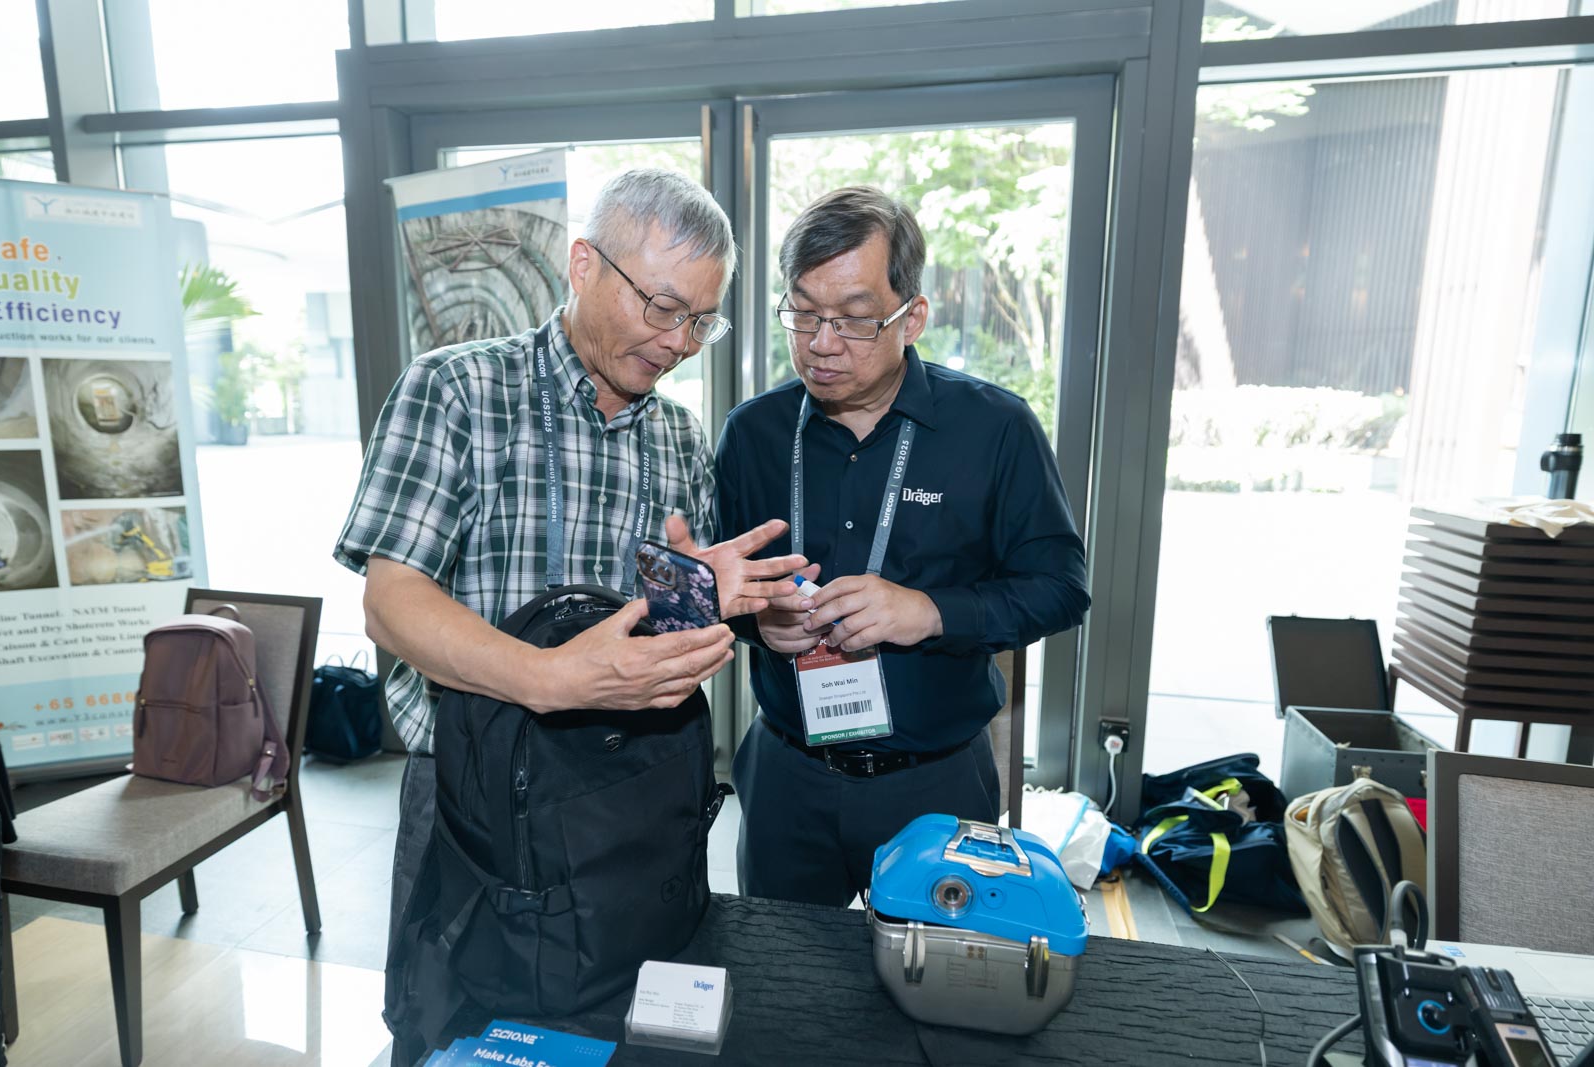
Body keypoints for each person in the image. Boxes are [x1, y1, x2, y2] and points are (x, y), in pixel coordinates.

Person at [333, 169, 803, 989]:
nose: (677, 343)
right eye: (661, 307)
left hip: (630, 787)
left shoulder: (679, 438)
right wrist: (548, 678)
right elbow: (392, 601)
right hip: (471, 792)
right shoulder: (458, 391)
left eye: (701, 321)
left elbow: (654, 625)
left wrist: (707, 602)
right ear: (583, 265)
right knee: (461, 1012)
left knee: (626, 1004)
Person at [714, 185, 1091, 907]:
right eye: (803, 313)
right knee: (777, 967)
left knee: (942, 970)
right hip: (787, 775)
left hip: (935, 781)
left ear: (911, 316)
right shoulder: (753, 435)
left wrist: (929, 612)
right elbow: (725, 591)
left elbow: (1061, 589)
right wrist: (757, 622)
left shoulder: (995, 430)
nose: (822, 343)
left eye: (855, 319)